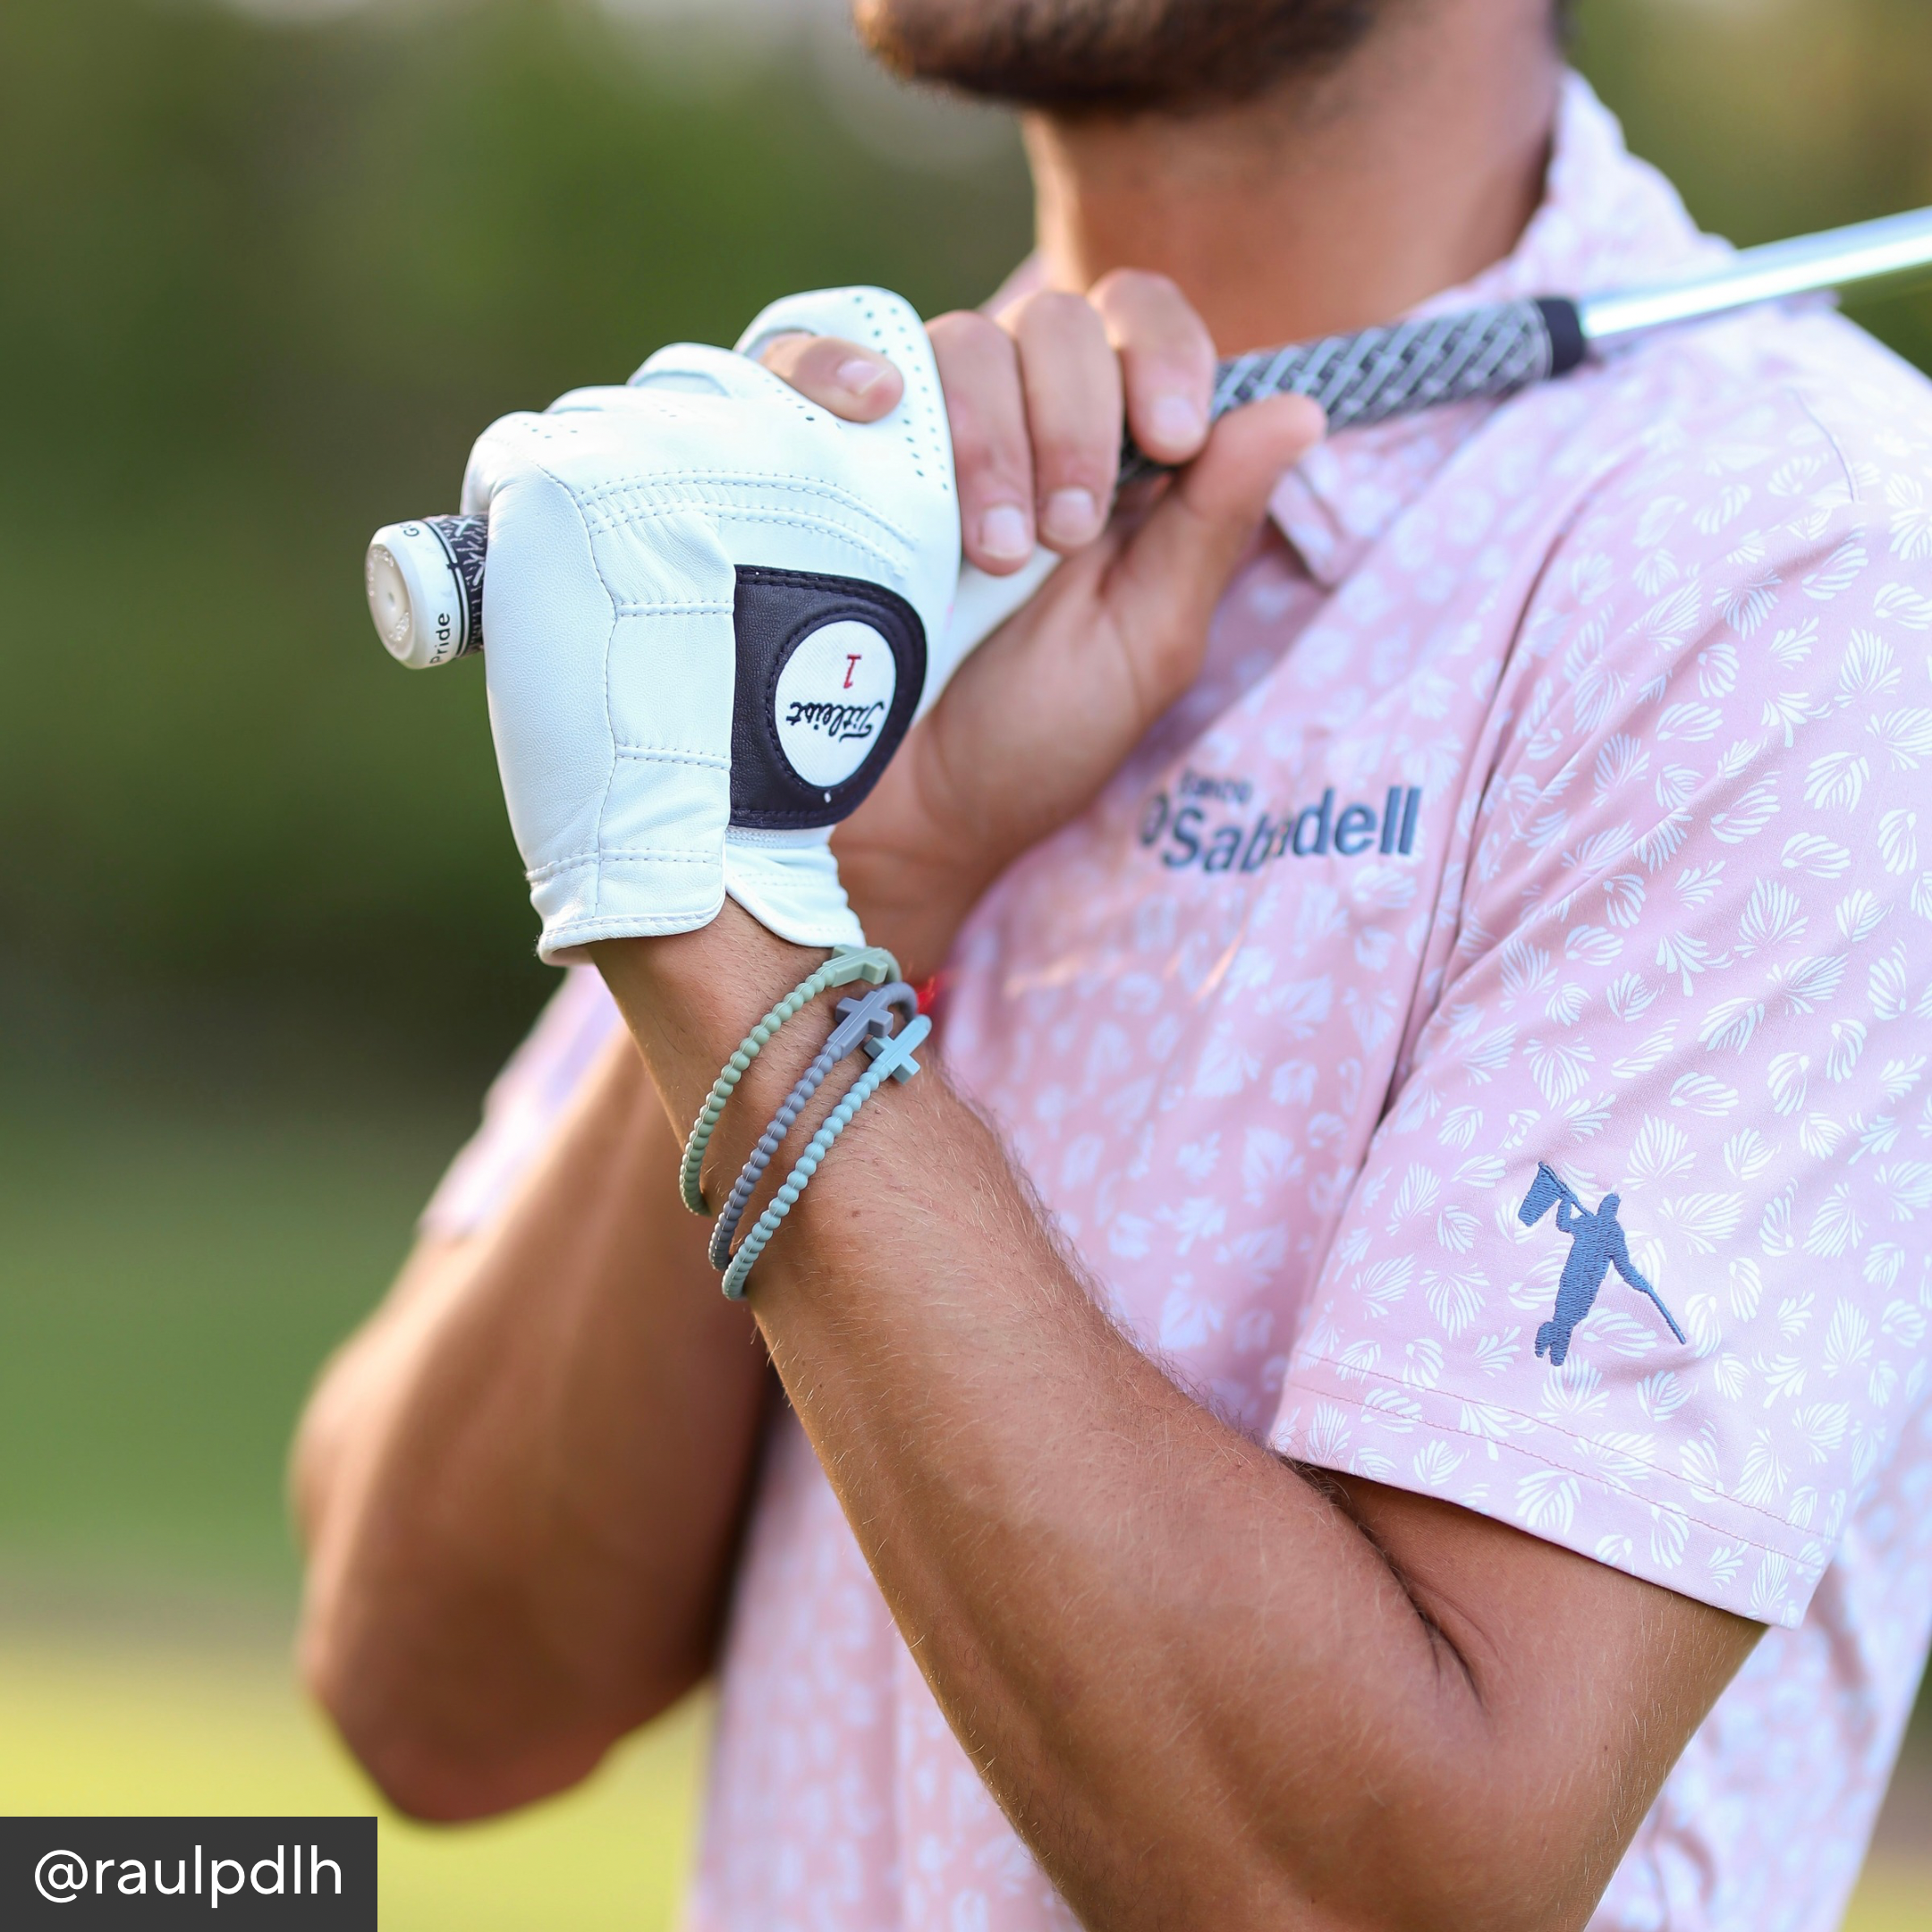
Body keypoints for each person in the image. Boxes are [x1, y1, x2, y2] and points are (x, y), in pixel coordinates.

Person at [292, 0, 1932, 1926]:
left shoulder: (1799, 569)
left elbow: (1379, 1894)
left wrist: (730, 932)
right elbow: (432, 1689)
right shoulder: (873, 501)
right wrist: (863, 882)